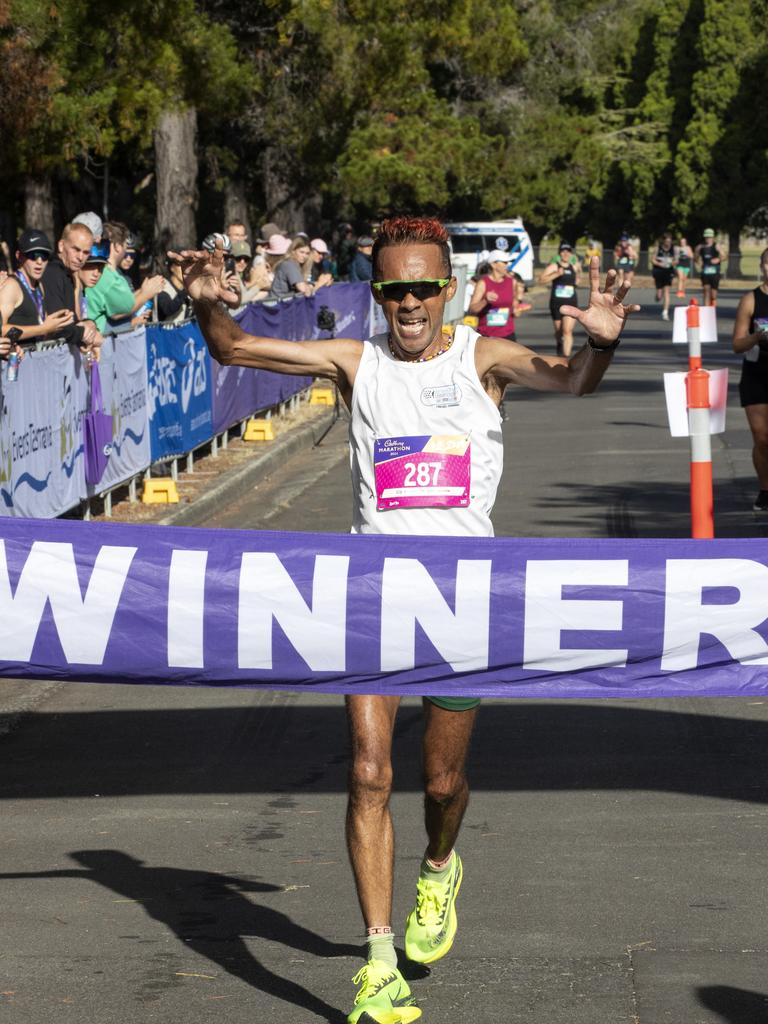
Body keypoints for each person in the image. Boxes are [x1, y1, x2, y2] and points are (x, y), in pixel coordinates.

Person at [171, 214, 639, 1024]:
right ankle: (378, 959)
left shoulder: (481, 356)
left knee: (444, 780)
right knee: (368, 772)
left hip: (461, 601)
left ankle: (439, 867)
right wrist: (210, 305)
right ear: (379, 294)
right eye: (395, 289)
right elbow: (236, 349)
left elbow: (571, 380)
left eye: (425, 286)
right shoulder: (357, 361)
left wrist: (599, 343)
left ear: (448, 288)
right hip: (372, 596)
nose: (411, 302)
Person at [732, 247, 768, 511]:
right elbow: (737, 344)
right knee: (762, 438)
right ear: (762, 266)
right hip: (756, 374)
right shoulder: (751, 300)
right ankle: (765, 489)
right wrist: (757, 336)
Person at [85, 221, 165, 331]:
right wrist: (146, 294)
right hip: (102, 342)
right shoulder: (106, 274)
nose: (127, 256)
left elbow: (125, 302)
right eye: (125, 246)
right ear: (118, 246)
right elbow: (119, 311)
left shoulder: (106, 272)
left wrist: (142, 290)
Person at [0, 229, 74, 344]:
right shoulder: (12, 286)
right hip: (15, 360)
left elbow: (42, 328)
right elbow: (1, 329)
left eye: (44, 256)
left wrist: (58, 324)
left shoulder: (39, 285)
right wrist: (43, 329)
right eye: (33, 255)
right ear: (19, 256)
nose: (39, 261)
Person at [41, 222, 102, 357]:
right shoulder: (52, 273)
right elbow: (58, 325)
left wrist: (90, 325)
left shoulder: (68, 275)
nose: (80, 257)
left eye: (86, 252)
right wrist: (84, 335)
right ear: (61, 246)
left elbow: (71, 320)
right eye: (76, 249)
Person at [539, 241, 582, 356]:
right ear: (559, 253)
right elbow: (541, 280)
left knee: (567, 331)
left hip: (571, 303)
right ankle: (559, 345)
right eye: (563, 251)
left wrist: (577, 280)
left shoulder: (574, 266)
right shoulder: (554, 266)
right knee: (559, 332)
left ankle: (565, 359)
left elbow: (578, 276)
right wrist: (556, 274)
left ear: (571, 253)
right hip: (556, 304)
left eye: (568, 251)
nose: (566, 253)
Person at [467, 249, 517, 342]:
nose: (507, 265)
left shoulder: (512, 282)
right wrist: (485, 300)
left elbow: (515, 307)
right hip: (487, 335)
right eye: (504, 263)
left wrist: (518, 309)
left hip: (508, 334)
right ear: (493, 264)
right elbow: (472, 310)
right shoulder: (483, 283)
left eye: (508, 263)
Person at [695, 228, 724, 307]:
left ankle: (713, 301)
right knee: (706, 290)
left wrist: (718, 259)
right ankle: (706, 310)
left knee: (713, 294)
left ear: (713, 237)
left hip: (715, 272)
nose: (708, 239)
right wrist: (698, 261)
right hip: (705, 271)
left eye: (710, 237)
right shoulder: (700, 247)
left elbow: (724, 256)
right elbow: (696, 258)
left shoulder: (716, 246)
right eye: (706, 237)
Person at [651, 231, 675, 321]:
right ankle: (657, 295)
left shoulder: (674, 249)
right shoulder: (658, 249)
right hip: (659, 272)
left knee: (667, 292)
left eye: (670, 241)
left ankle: (665, 312)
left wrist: (671, 262)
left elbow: (676, 260)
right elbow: (652, 260)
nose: (668, 243)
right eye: (667, 241)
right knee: (659, 295)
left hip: (668, 272)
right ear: (664, 241)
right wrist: (660, 264)